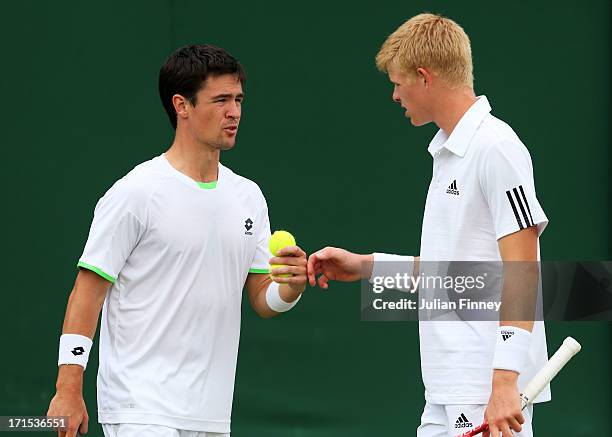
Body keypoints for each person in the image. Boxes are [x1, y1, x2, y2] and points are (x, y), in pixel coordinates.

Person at [47, 44, 308, 437]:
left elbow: (261, 298)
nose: (234, 112)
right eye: (220, 100)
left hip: (211, 414)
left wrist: (290, 287)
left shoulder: (249, 197)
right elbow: (88, 293)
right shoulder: (136, 193)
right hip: (141, 408)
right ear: (181, 105)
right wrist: (67, 389)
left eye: (238, 99)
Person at [307, 13, 549, 437]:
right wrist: (365, 267)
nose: (395, 95)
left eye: (398, 83)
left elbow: (523, 271)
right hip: (447, 386)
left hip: (483, 388)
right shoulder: (449, 153)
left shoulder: (496, 148)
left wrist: (505, 382)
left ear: (425, 77)